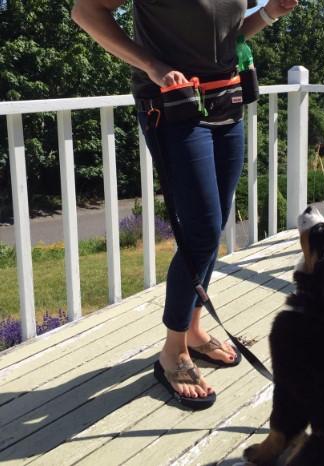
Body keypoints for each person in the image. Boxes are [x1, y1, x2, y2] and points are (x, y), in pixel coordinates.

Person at [72, 0, 298, 409]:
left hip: (226, 100)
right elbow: (86, 12)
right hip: (173, 105)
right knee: (201, 229)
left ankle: (194, 330)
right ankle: (173, 349)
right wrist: (152, 67)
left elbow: (223, 38)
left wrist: (269, 14)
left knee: (213, 226)